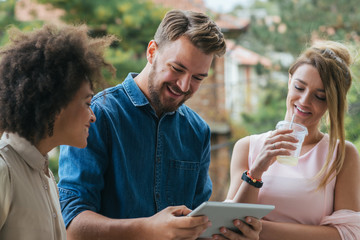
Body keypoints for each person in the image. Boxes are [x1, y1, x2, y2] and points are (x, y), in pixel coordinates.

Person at [58, 9, 262, 240]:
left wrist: (229, 234)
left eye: (198, 78)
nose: (184, 86)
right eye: (177, 69)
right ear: (152, 51)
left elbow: (196, 225)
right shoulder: (97, 115)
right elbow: (72, 226)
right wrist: (147, 229)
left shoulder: (198, 131)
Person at [226, 40, 360, 239]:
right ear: (289, 81)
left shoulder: (341, 154)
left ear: (332, 103)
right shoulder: (247, 147)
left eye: (320, 96)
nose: (305, 101)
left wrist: (260, 230)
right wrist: (256, 171)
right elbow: (229, 224)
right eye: (299, 87)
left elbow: (349, 233)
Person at [0, 24, 115, 240]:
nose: (93, 116)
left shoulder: (45, 175)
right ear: (54, 104)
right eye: (87, 103)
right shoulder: (4, 170)